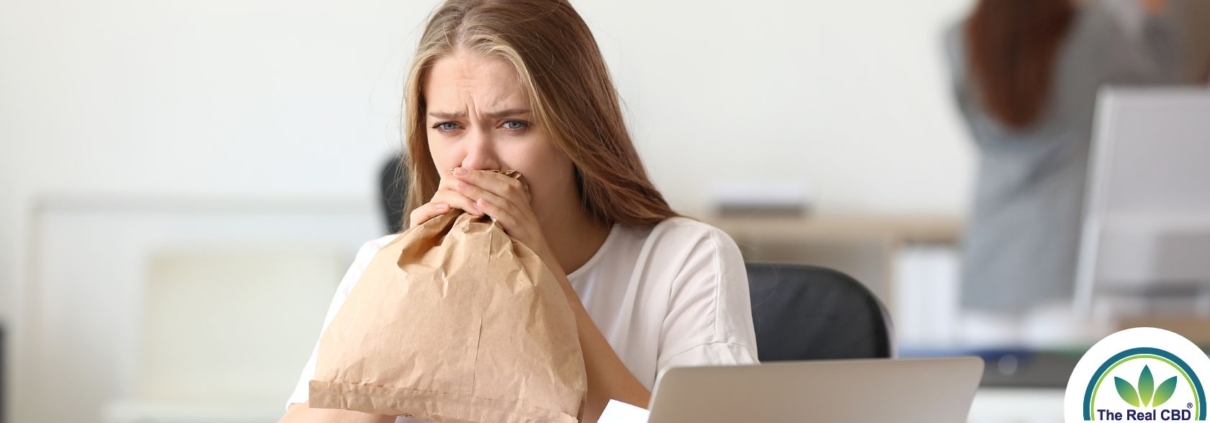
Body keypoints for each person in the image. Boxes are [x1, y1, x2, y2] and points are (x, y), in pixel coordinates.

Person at [278, 1, 759, 422]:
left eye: (512, 124)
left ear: (577, 130)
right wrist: (409, 301)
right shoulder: (380, 266)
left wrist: (549, 286)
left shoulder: (686, 261)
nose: (475, 159)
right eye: (448, 126)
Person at [944, 0, 1181, 342]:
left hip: (990, 263)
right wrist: (1155, 18)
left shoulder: (957, 38)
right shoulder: (1093, 30)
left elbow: (978, 134)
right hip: (1067, 263)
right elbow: (1160, 90)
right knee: (1079, 393)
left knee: (991, 395)